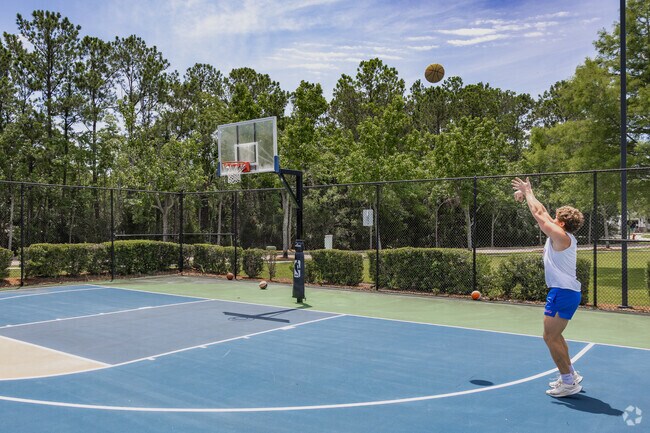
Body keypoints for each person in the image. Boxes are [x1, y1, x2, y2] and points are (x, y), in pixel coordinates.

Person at [512, 177, 585, 398]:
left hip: (562, 293)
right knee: (556, 336)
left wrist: (527, 192)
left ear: (561, 224)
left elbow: (539, 215)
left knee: (550, 337)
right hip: (565, 292)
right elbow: (542, 211)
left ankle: (568, 382)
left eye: (555, 218)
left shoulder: (561, 236)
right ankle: (570, 374)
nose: (551, 219)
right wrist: (528, 194)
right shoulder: (563, 236)